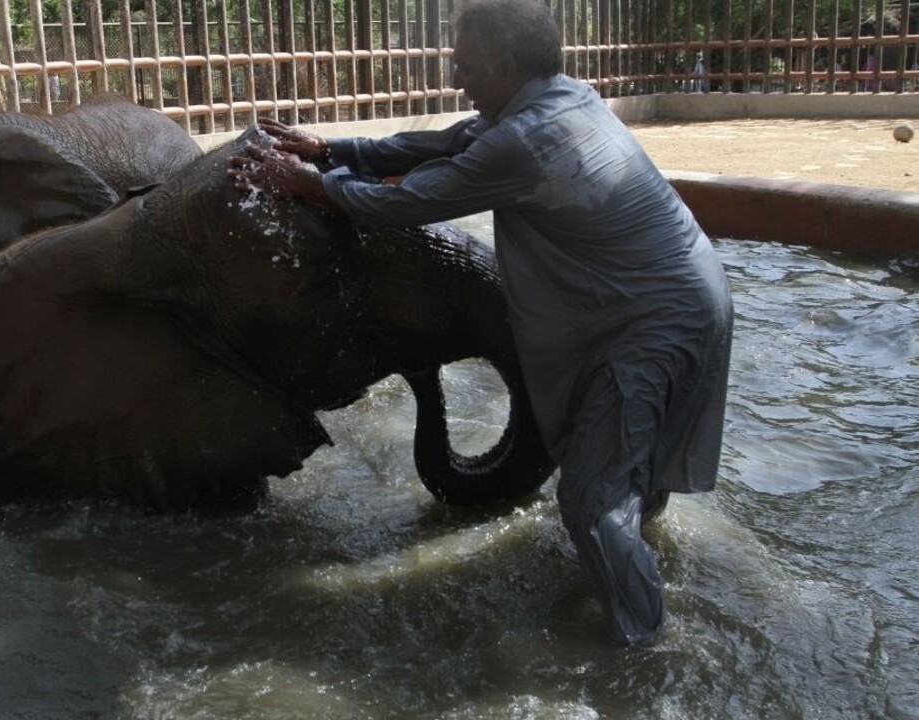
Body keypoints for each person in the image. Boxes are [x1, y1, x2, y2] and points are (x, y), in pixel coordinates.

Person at [226, 0, 734, 647]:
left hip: (654, 322)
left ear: (502, 63)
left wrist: (311, 185)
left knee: (589, 503)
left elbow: (410, 200)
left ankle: (648, 652)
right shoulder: (566, 100)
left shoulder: (524, 142)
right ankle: (638, 573)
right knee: (630, 476)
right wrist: (334, 149)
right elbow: (447, 142)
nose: (457, 75)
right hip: (693, 294)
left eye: (465, 64)